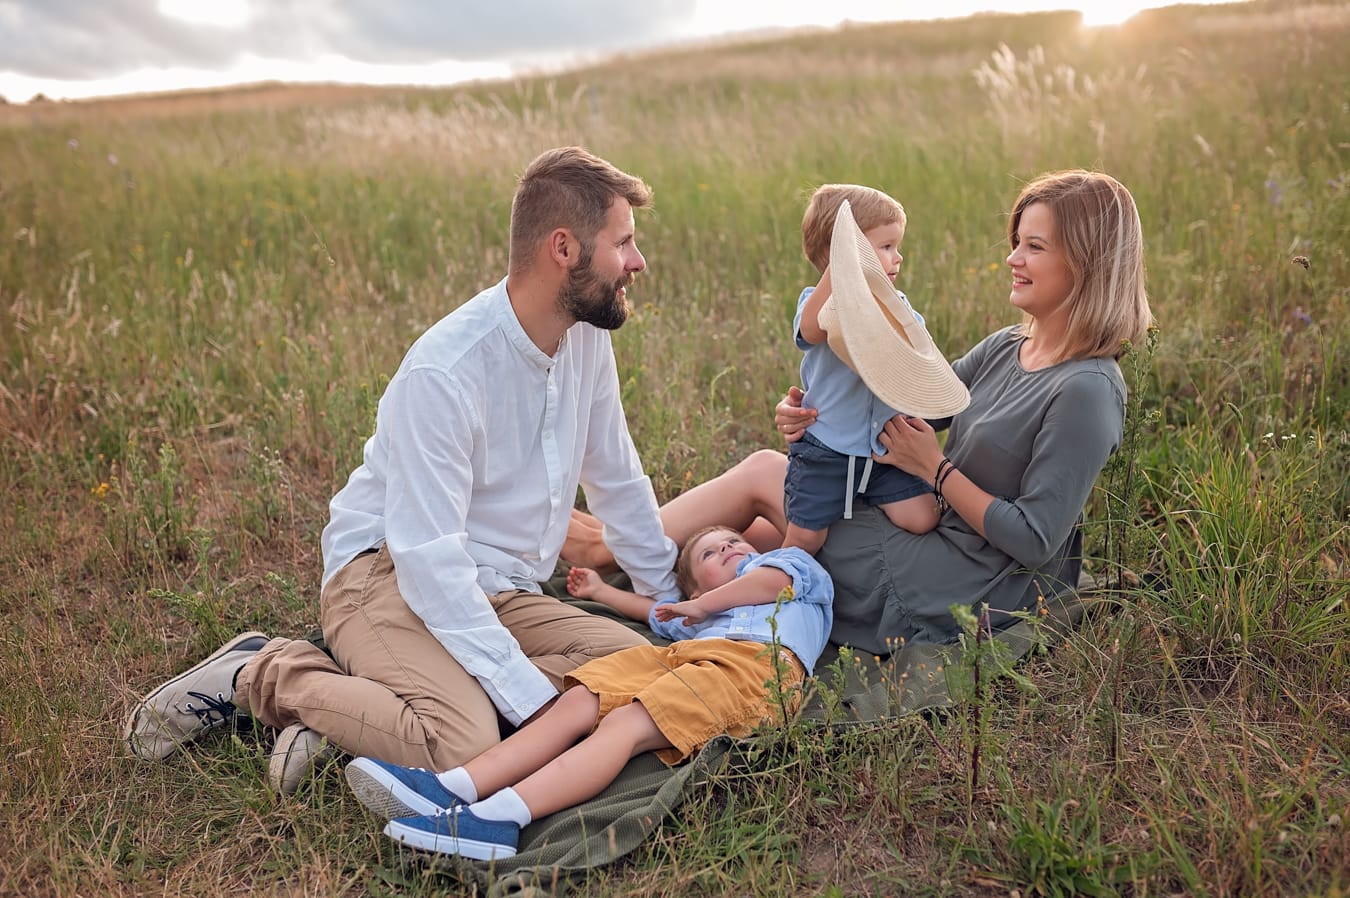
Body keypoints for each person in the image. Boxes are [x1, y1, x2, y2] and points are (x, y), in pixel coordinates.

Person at [123, 146, 682, 793]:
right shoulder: (446, 372)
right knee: (466, 743)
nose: (638, 262)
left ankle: (366, 713)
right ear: (564, 248)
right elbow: (429, 562)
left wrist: (670, 603)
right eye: (623, 243)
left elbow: (617, 477)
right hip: (385, 570)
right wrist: (533, 706)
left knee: (640, 667)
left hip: (499, 585)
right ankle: (265, 673)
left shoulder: (585, 337)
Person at [565, 169, 1152, 655]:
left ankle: (604, 549)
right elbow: (908, 399)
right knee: (760, 535)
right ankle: (618, 542)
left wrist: (934, 469)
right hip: (934, 528)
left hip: (969, 582)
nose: (1012, 258)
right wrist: (811, 413)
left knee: (767, 477)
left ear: (1086, 261)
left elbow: (1035, 540)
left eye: (1034, 247)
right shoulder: (1008, 346)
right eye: (1017, 241)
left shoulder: (1087, 390)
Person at [342, 525, 833, 860]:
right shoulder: (692, 615)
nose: (728, 548)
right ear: (690, 589)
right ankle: (455, 787)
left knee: (627, 722)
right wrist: (602, 592)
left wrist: (705, 605)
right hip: (686, 656)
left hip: (757, 665)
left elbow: (773, 582)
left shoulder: (788, 564)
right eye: (710, 553)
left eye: (734, 541)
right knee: (584, 695)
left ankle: (498, 818)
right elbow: (653, 613)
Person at [784, 185, 965, 553]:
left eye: (896, 246)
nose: (898, 257)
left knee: (924, 517)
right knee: (805, 538)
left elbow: (919, 356)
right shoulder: (820, 305)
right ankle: (781, 575)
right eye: (885, 247)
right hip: (828, 451)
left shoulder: (898, 306)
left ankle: (857, 514)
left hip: (885, 452)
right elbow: (811, 331)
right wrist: (842, 267)